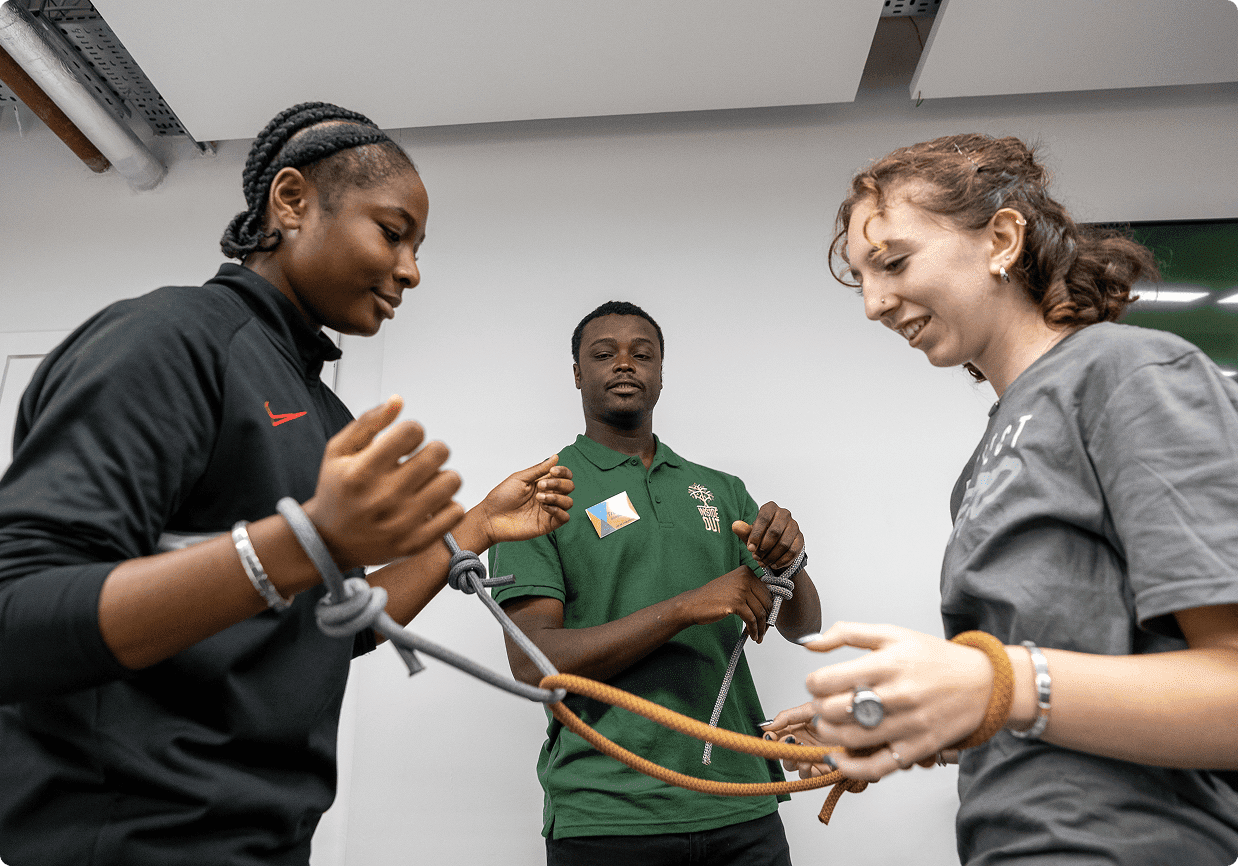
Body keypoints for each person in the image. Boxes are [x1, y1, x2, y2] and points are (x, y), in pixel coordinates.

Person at [0, 102, 574, 866]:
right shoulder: (167, 341)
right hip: (126, 843)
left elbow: (322, 630)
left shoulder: (323, 409)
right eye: (392, 231)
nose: (411, 269)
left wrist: (472, 530)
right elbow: (16, 618)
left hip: (267, 844)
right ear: (292, 201)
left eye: (417, 246)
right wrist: (306, 540)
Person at [766, 133, 1238, 864]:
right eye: (861, 278)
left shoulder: (1128, 373)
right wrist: (915, 720)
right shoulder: (988, 457)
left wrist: (996, 681)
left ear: (1003, 239)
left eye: (893, 262)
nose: (874, 303)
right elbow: (1044, 701)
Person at [490, 301, 822, 866]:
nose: (625, 364)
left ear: (661, 373)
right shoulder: (540, 497)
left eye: (642, 354)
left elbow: (802, 626)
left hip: (739, 801)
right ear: (576, 374)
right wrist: (687, 607)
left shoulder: (720, 490)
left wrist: (790, 562)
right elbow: (532, 662)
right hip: (609, 809)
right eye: (604, 354)